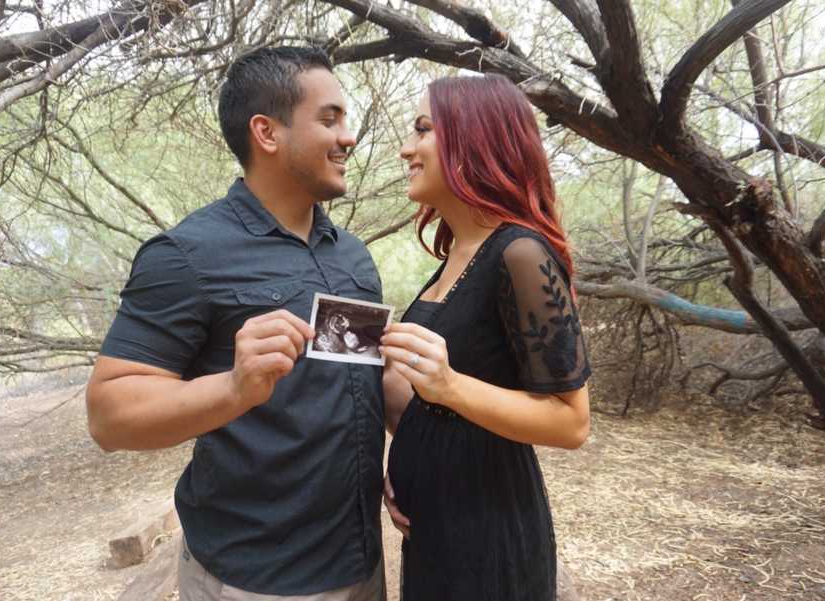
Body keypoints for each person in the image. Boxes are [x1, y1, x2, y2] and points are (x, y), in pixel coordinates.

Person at [85, 47, 387, 601]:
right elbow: (110, 416)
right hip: (257, 575)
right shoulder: (186, 254)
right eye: (329, 118)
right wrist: (232, 387)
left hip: (361, 559)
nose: (349, 137)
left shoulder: (352, 257)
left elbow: (360, 383)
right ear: (266, 132)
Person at [379, 74, 592, 601]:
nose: (407, 147)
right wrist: (403, 461)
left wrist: (447, 384)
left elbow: (572, 422)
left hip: (488, 535)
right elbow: (438, 406)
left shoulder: (520, 254)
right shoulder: (454, 255)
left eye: (423, 129)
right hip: (435, 527)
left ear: (474, 138)